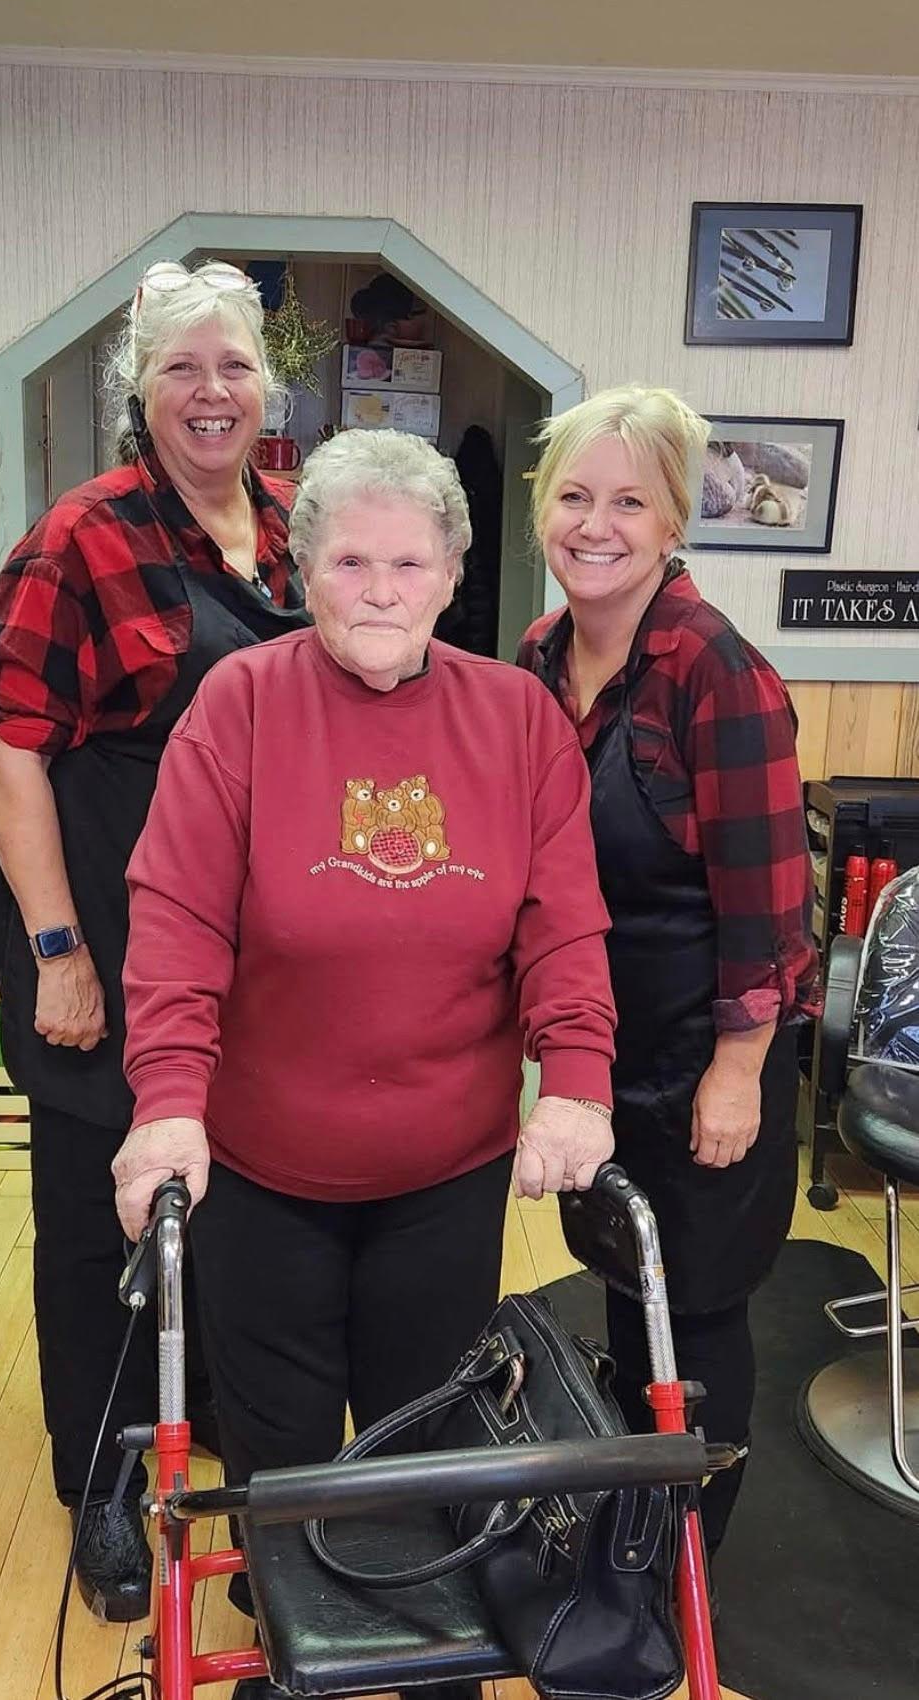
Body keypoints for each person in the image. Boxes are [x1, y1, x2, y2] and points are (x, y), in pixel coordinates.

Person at [111, 428, 618, 1684]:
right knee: (281, 1443)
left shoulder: (514, 719)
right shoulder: (240, 704)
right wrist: (167, 1104)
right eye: (348, 560)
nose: (380, 588)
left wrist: (577, 1084)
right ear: (300, 567)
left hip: (445, 1166)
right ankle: (298, 1651)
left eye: (408, 560)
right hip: (262, 1162)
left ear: (453, 572)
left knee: (425, 1433)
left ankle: (419, 1652)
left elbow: (563, 929)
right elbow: (175, 924)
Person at [0, 261, 310, 1621]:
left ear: (263, 390)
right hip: (94, 917)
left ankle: (205, 1402)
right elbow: (10, 745)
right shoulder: (84, 535)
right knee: (89, 1206)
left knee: (217, 1180)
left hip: (228, 937)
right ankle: (99, 1480)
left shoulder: (287, 522)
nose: (210, 393)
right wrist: (56, 949)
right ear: (139, 394)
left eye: (232, 368)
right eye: (181, 370)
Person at [519, 384, 821, 1559]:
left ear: (673, 522)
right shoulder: (540, 658)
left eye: (629, 502)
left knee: (693, 1311)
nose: (597, 525)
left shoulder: (714, 671)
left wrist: (736, 1071)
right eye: (576, 497)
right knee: (620, 1281)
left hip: (706, 1047)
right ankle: (629, 1517)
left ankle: (682, 1559)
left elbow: (767, 902)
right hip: (600, 1043)